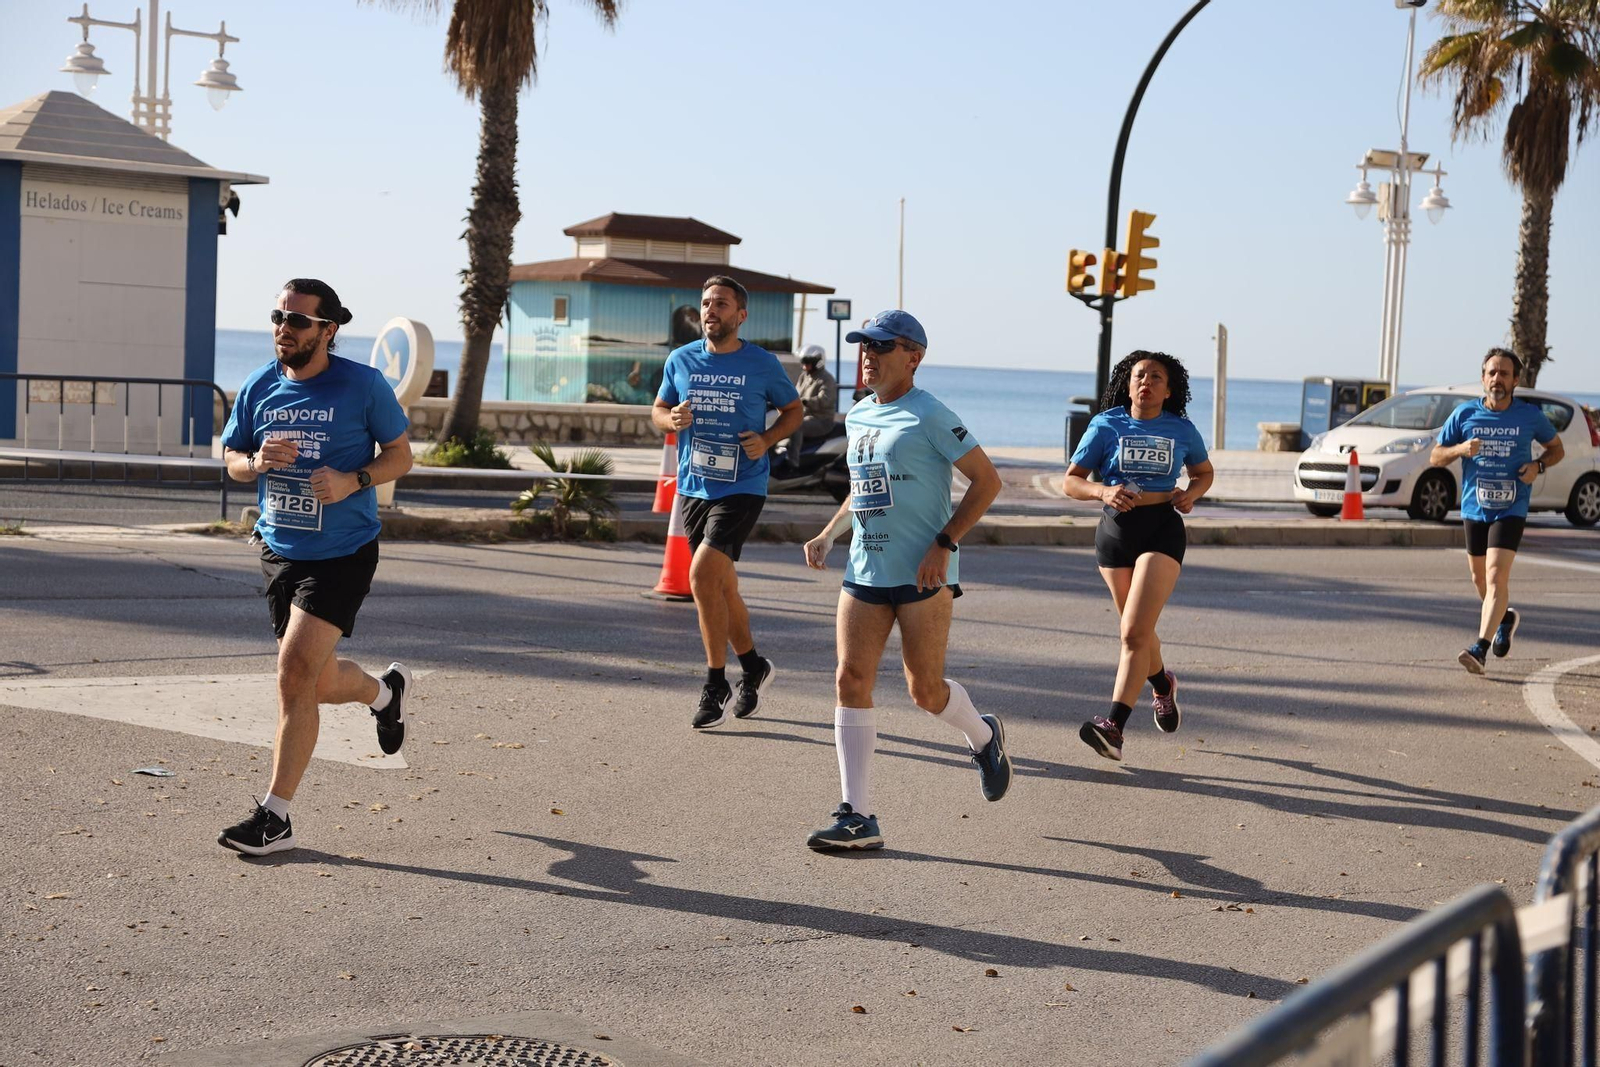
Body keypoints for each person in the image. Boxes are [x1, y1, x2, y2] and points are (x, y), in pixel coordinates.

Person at [216, 279, 415, 855]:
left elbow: (401, 454)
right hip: (279, 549)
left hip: (344, 551)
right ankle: (385, 693)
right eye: (279, 316)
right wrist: (251, 463)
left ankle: (275, 817)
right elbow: (229, 456)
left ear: (328, 329)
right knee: (316, 680)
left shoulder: (362, 385)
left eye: (299, 320)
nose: (285, 327)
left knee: (293, 675)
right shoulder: (258, 385)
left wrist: (354, 479)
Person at [800, 310, 1009, 851]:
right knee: (850, 678)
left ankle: (983, 736)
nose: (868, 356)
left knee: (925, 690)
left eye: (880, 347)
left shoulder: (931, 414)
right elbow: (861, 486)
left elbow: (987, 482)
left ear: (912, 357)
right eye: (864, 347)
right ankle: (859, 814)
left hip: (924, 575)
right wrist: (829, 532)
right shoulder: (860, 415)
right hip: (865, 569)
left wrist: (946, 542)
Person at [653, 276, 804, 728]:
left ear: (741, 315)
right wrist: (670, 416)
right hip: (694, 486)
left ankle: (715, 681)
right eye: (705, 303)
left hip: (743, 486)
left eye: (721, 303)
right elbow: (657, 409)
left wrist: (768, 438)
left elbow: (794, 410)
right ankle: (753, 666)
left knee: (701, 577)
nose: (710, 309)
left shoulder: (761, 363)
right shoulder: (681, 359)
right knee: (724, 587)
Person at [1062, 351, 1214, 764]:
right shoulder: (1106, 423)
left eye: (1156, 377)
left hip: (1161, 528)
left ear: (1169, 389)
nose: (1146, 382)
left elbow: (1204, 472)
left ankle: (1113, 727)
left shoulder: (1180, 428)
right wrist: (1103, 491)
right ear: (1128, 384)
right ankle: (1162, 685)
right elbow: (1071, 482)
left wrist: (1191, 493)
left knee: (1132, 633)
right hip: (1115, 533)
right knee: (1139, 631)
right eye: (1139, 376)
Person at [1429, 347, 1563, 674]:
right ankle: (1505, 619)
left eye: (1504, 373)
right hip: (1475, 506)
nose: (1497, 379)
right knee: (1479, 579)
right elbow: (1436, 456)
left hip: (1512, 506)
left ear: (1515, 380)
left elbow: (1556, 449)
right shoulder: (1464, 415)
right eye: (1492, 372)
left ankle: (1479, 648)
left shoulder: (1529, 416)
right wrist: (1460, 448)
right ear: (1483, 377)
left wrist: (1538, 466)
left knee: (1494, 574)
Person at [780, 345, 839, 468]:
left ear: (818, 362)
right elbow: (794, 393)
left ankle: (792, 464)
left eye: (808, 364)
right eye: (803, 363)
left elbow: (825, 401)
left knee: (796, 426)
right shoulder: (804, 376)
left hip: (821, 420)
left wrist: (806, 401)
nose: (804, 367)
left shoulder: (827, 379)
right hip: (803, 416)